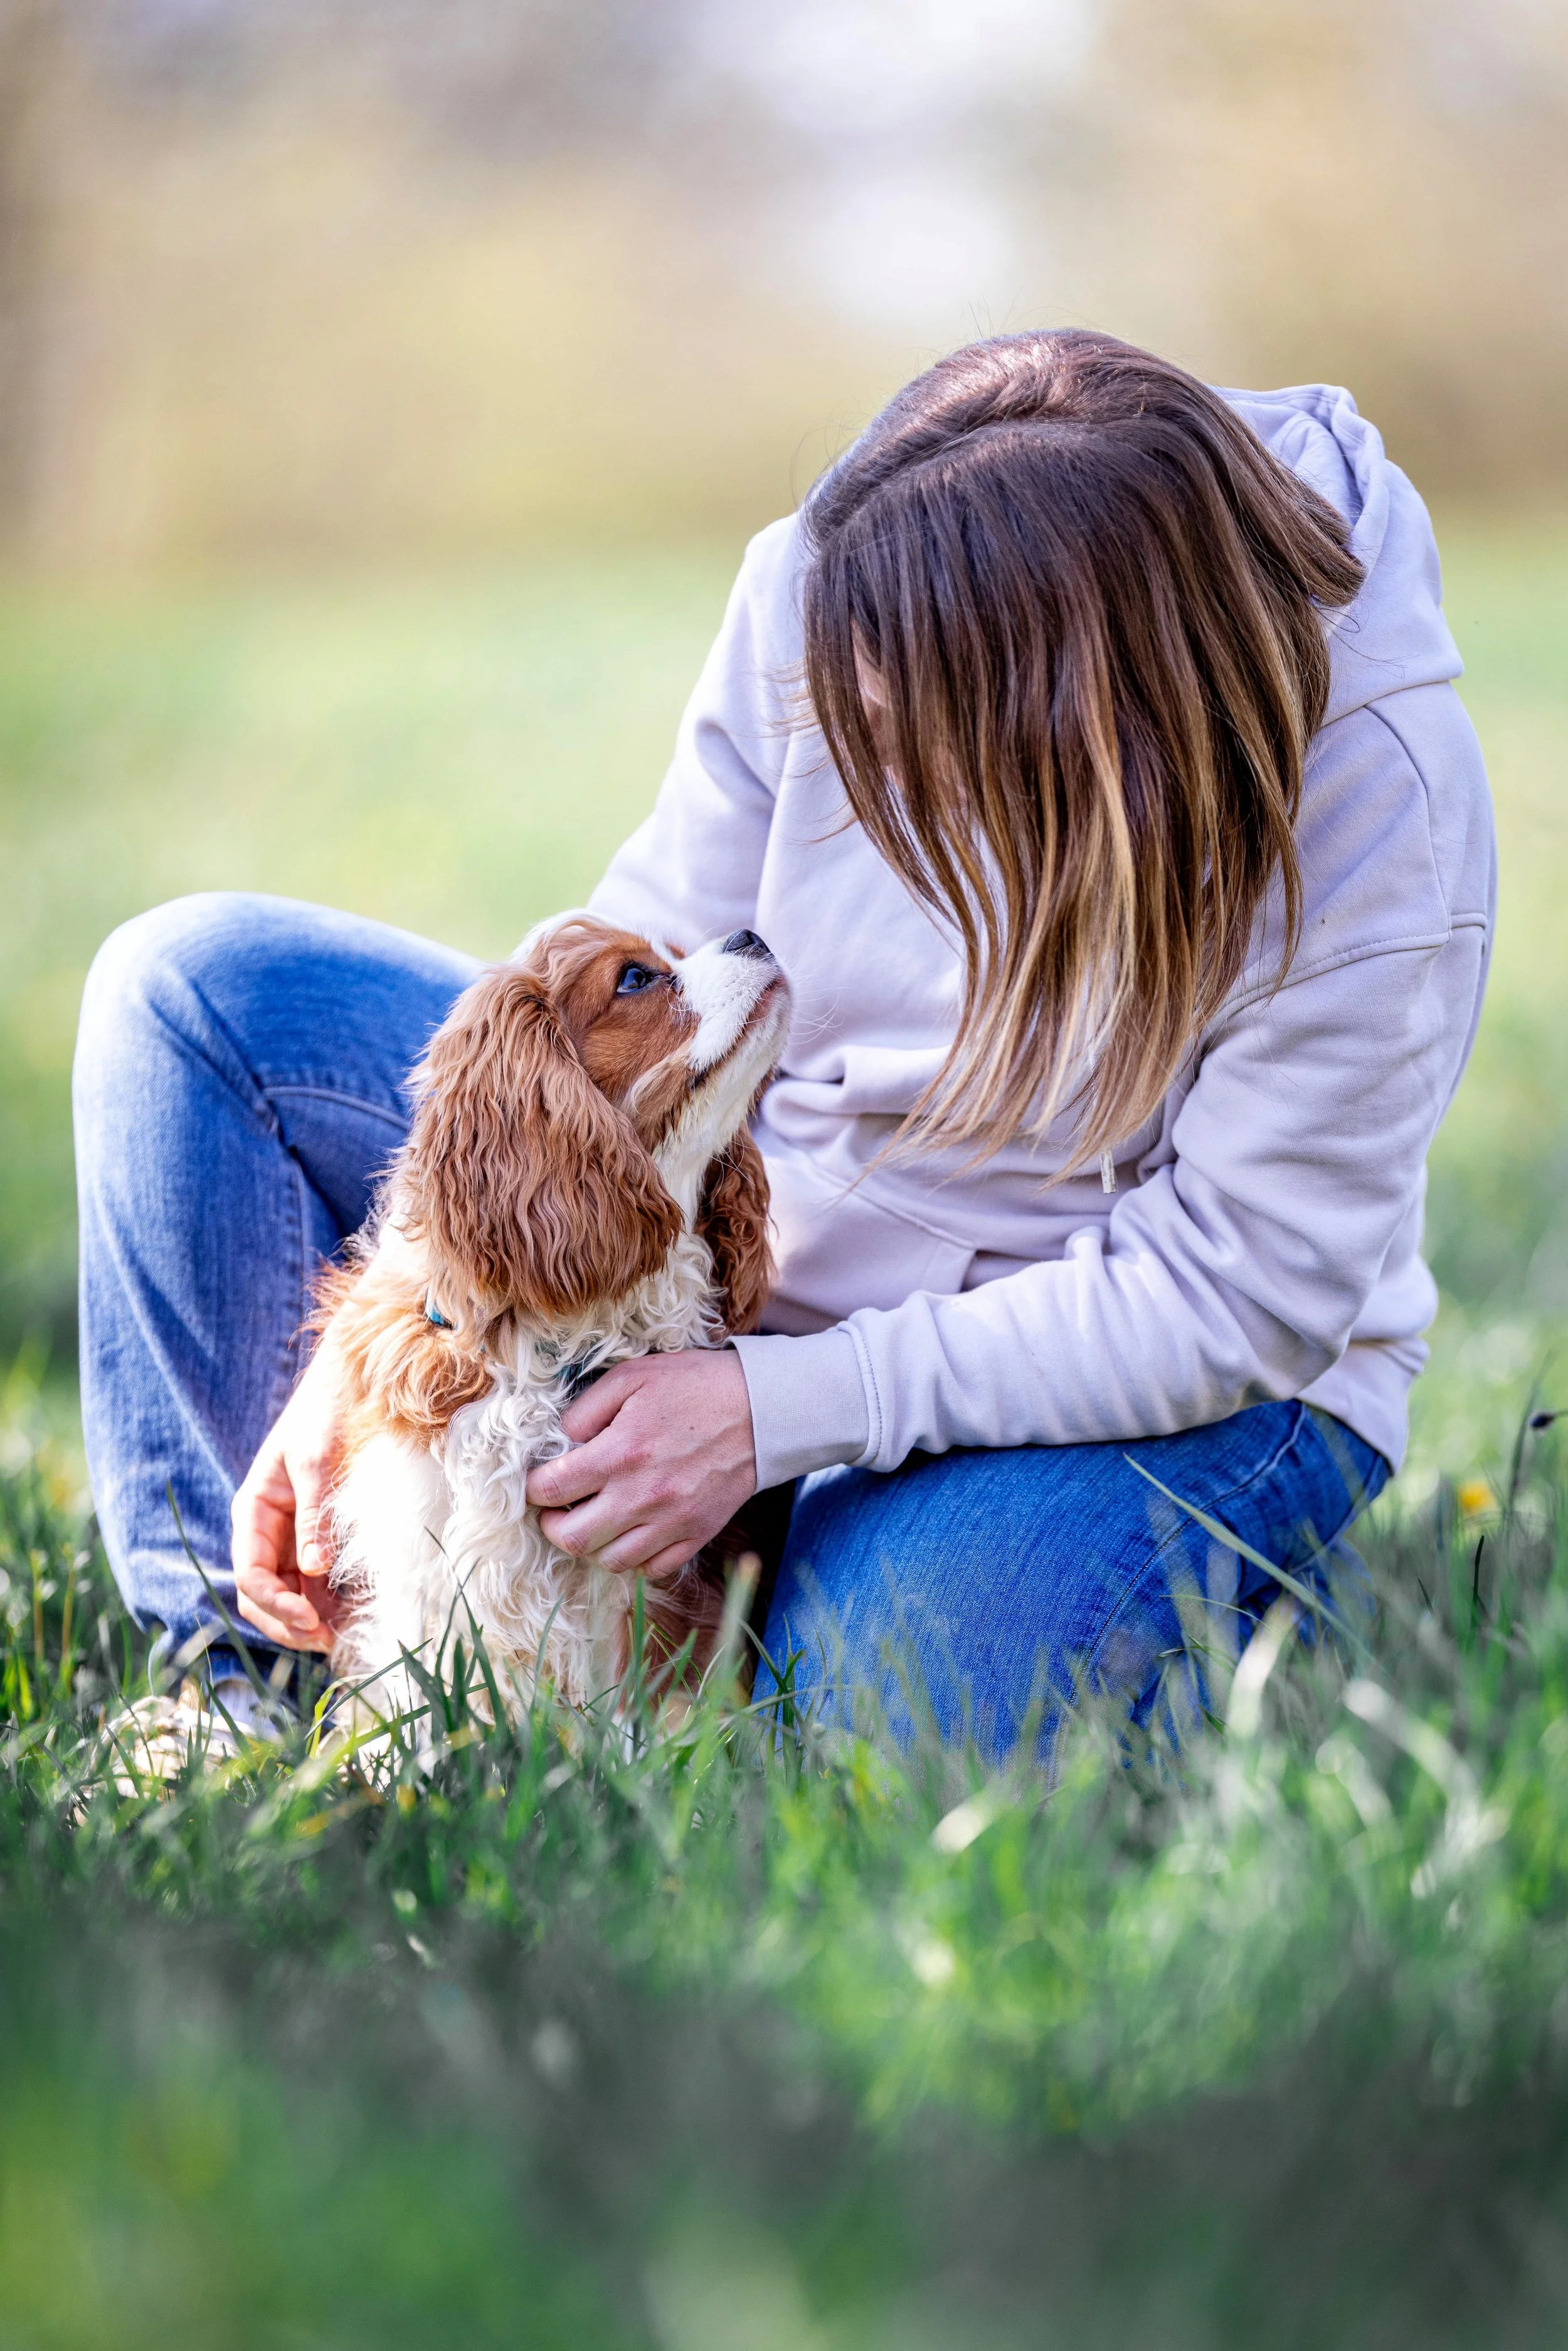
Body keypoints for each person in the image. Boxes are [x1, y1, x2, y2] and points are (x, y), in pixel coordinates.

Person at [73, 332, 1493, 1756]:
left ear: (1093, 717)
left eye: (911, 744)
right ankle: (236, 1691)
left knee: (876, 1713)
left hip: (1144, 1364)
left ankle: (1247, 1604)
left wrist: (781, 1411)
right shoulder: (838, 579)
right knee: (191, 996)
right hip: (748, 1244)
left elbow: (1236, 1292)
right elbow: (640, 958)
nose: (864, 777)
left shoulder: (1378, 803)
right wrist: (416, 1312)